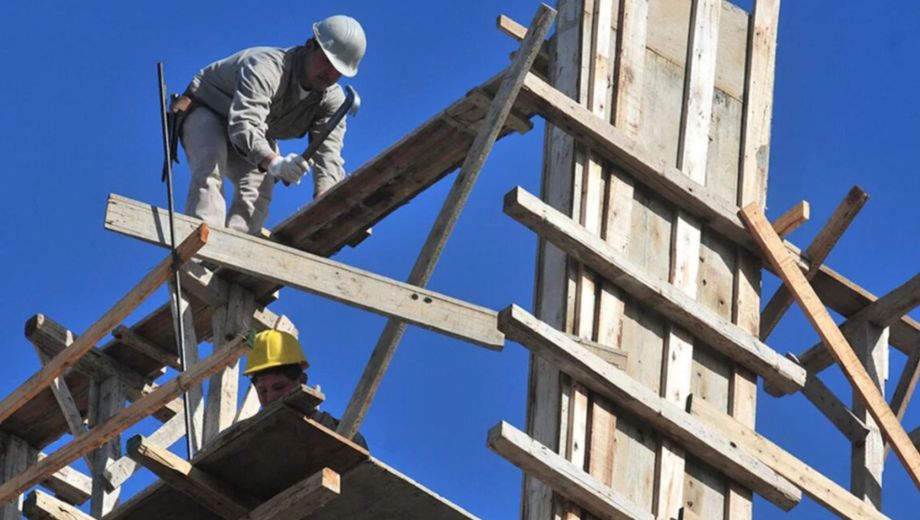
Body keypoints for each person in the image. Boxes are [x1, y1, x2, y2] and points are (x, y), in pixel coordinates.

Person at [174, 15, 366, 235]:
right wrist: (275, 163)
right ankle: (200, 253)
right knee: (210, 166)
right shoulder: (266, 67)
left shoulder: (332, 101)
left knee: (259, 187)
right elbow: (244, 125)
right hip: (209, 109)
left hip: (254, 132)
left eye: (338, 69)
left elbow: (328, 155)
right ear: (310, 45)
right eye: (327, 61)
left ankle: (233, 256)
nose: (330, 74)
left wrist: (327, 201)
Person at [244, 329, 367, 448]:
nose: (270, 398)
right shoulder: (249, 440)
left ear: (302, 381)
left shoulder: (342, 433)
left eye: (279, 387)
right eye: (262, 391)